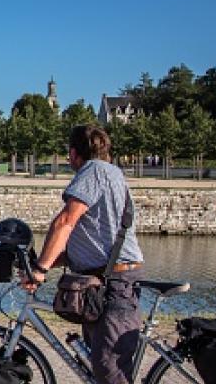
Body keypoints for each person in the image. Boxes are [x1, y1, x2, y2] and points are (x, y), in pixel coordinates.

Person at [23, 125, 143, 384]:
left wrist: (41, 270)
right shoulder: (110, 172)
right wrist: (39, 264)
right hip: (106, 282)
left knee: (110, 373)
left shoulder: (93, 172)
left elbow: (65, 221)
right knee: (98, 365)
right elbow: (87, 243)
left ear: (74, 153)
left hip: (116, 286)